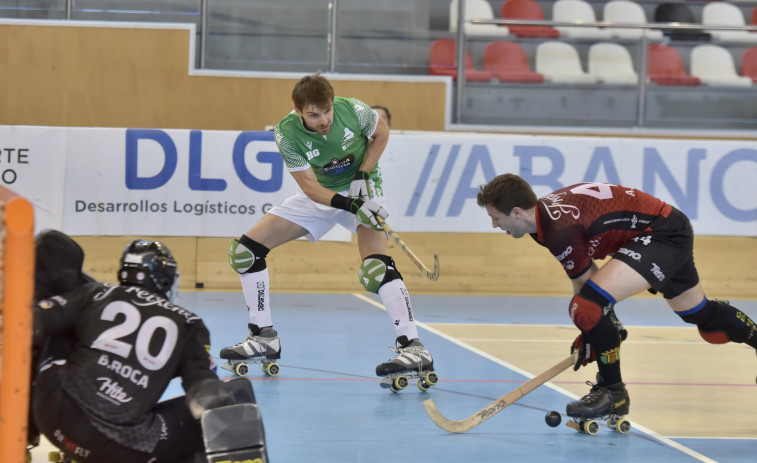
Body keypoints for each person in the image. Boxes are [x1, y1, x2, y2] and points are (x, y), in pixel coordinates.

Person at [476, 174, 757, 421]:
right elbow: (585, 279)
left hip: (661, 234)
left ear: (515, 212)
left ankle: (613, 393)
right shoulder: (545, 218)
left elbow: (587, 293)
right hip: (663, 229)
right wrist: (595, 331)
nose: (493, 225)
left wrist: (594, 329)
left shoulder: (558, 229)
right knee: (702, 316)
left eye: (495, 218)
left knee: (586, 307)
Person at [221, 73, 434, 379]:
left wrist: (363, 172)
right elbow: (309, 186)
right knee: (245, 252)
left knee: (374, 269)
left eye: (327, 111)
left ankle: (414, 347)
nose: (323, 120)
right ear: (298, 112)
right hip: (322, 194)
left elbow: (382, 132)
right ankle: (263, 336)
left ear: (333, 104)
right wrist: (347, 204)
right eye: (313, 114)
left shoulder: (355, 110)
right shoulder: (286, 134)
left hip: (363, 189)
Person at [31, 234, 267, 462]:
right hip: (113, 448)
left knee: (55, 323)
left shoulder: (96, 293)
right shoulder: (188, 323)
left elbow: (31, 323)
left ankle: (24, 435)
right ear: (166, 278)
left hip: (51, 413)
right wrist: (228, 423)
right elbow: (204, 391)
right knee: (235, 397)